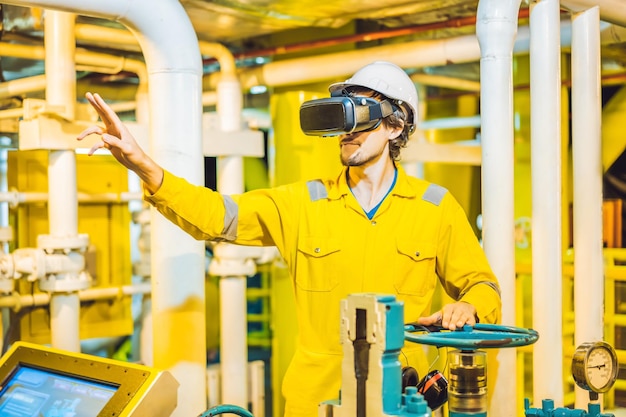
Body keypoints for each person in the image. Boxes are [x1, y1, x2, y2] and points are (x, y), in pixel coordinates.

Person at [77, 60, 501, 417]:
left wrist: (469, 305)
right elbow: (216, 216)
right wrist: (144, 166)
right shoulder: (303, 202)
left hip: (398, 402)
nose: (346, 131)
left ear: (395, 126)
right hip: (314, 403)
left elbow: (482, 284)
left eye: (360, 116)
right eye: (341, 117)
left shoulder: (434, 206)